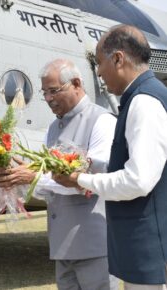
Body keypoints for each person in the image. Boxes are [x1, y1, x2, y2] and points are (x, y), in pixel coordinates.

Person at [56, 25, 167, 290]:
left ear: (118, 59)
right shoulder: (146, 97)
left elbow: (138, 180)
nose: (98, 72)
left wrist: (81, 180)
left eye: (99, 62)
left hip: (149, 248)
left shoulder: (144, 102)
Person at [0, 59, 118, 290]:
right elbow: (50, 186)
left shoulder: (101, 121)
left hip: (94, 243)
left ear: (76, 84)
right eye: (45, 93)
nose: (49, 99)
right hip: (62, 243)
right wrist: (24, 176)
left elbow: (92, 179)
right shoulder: (53, 127)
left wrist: (33, 177)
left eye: (54, 91)